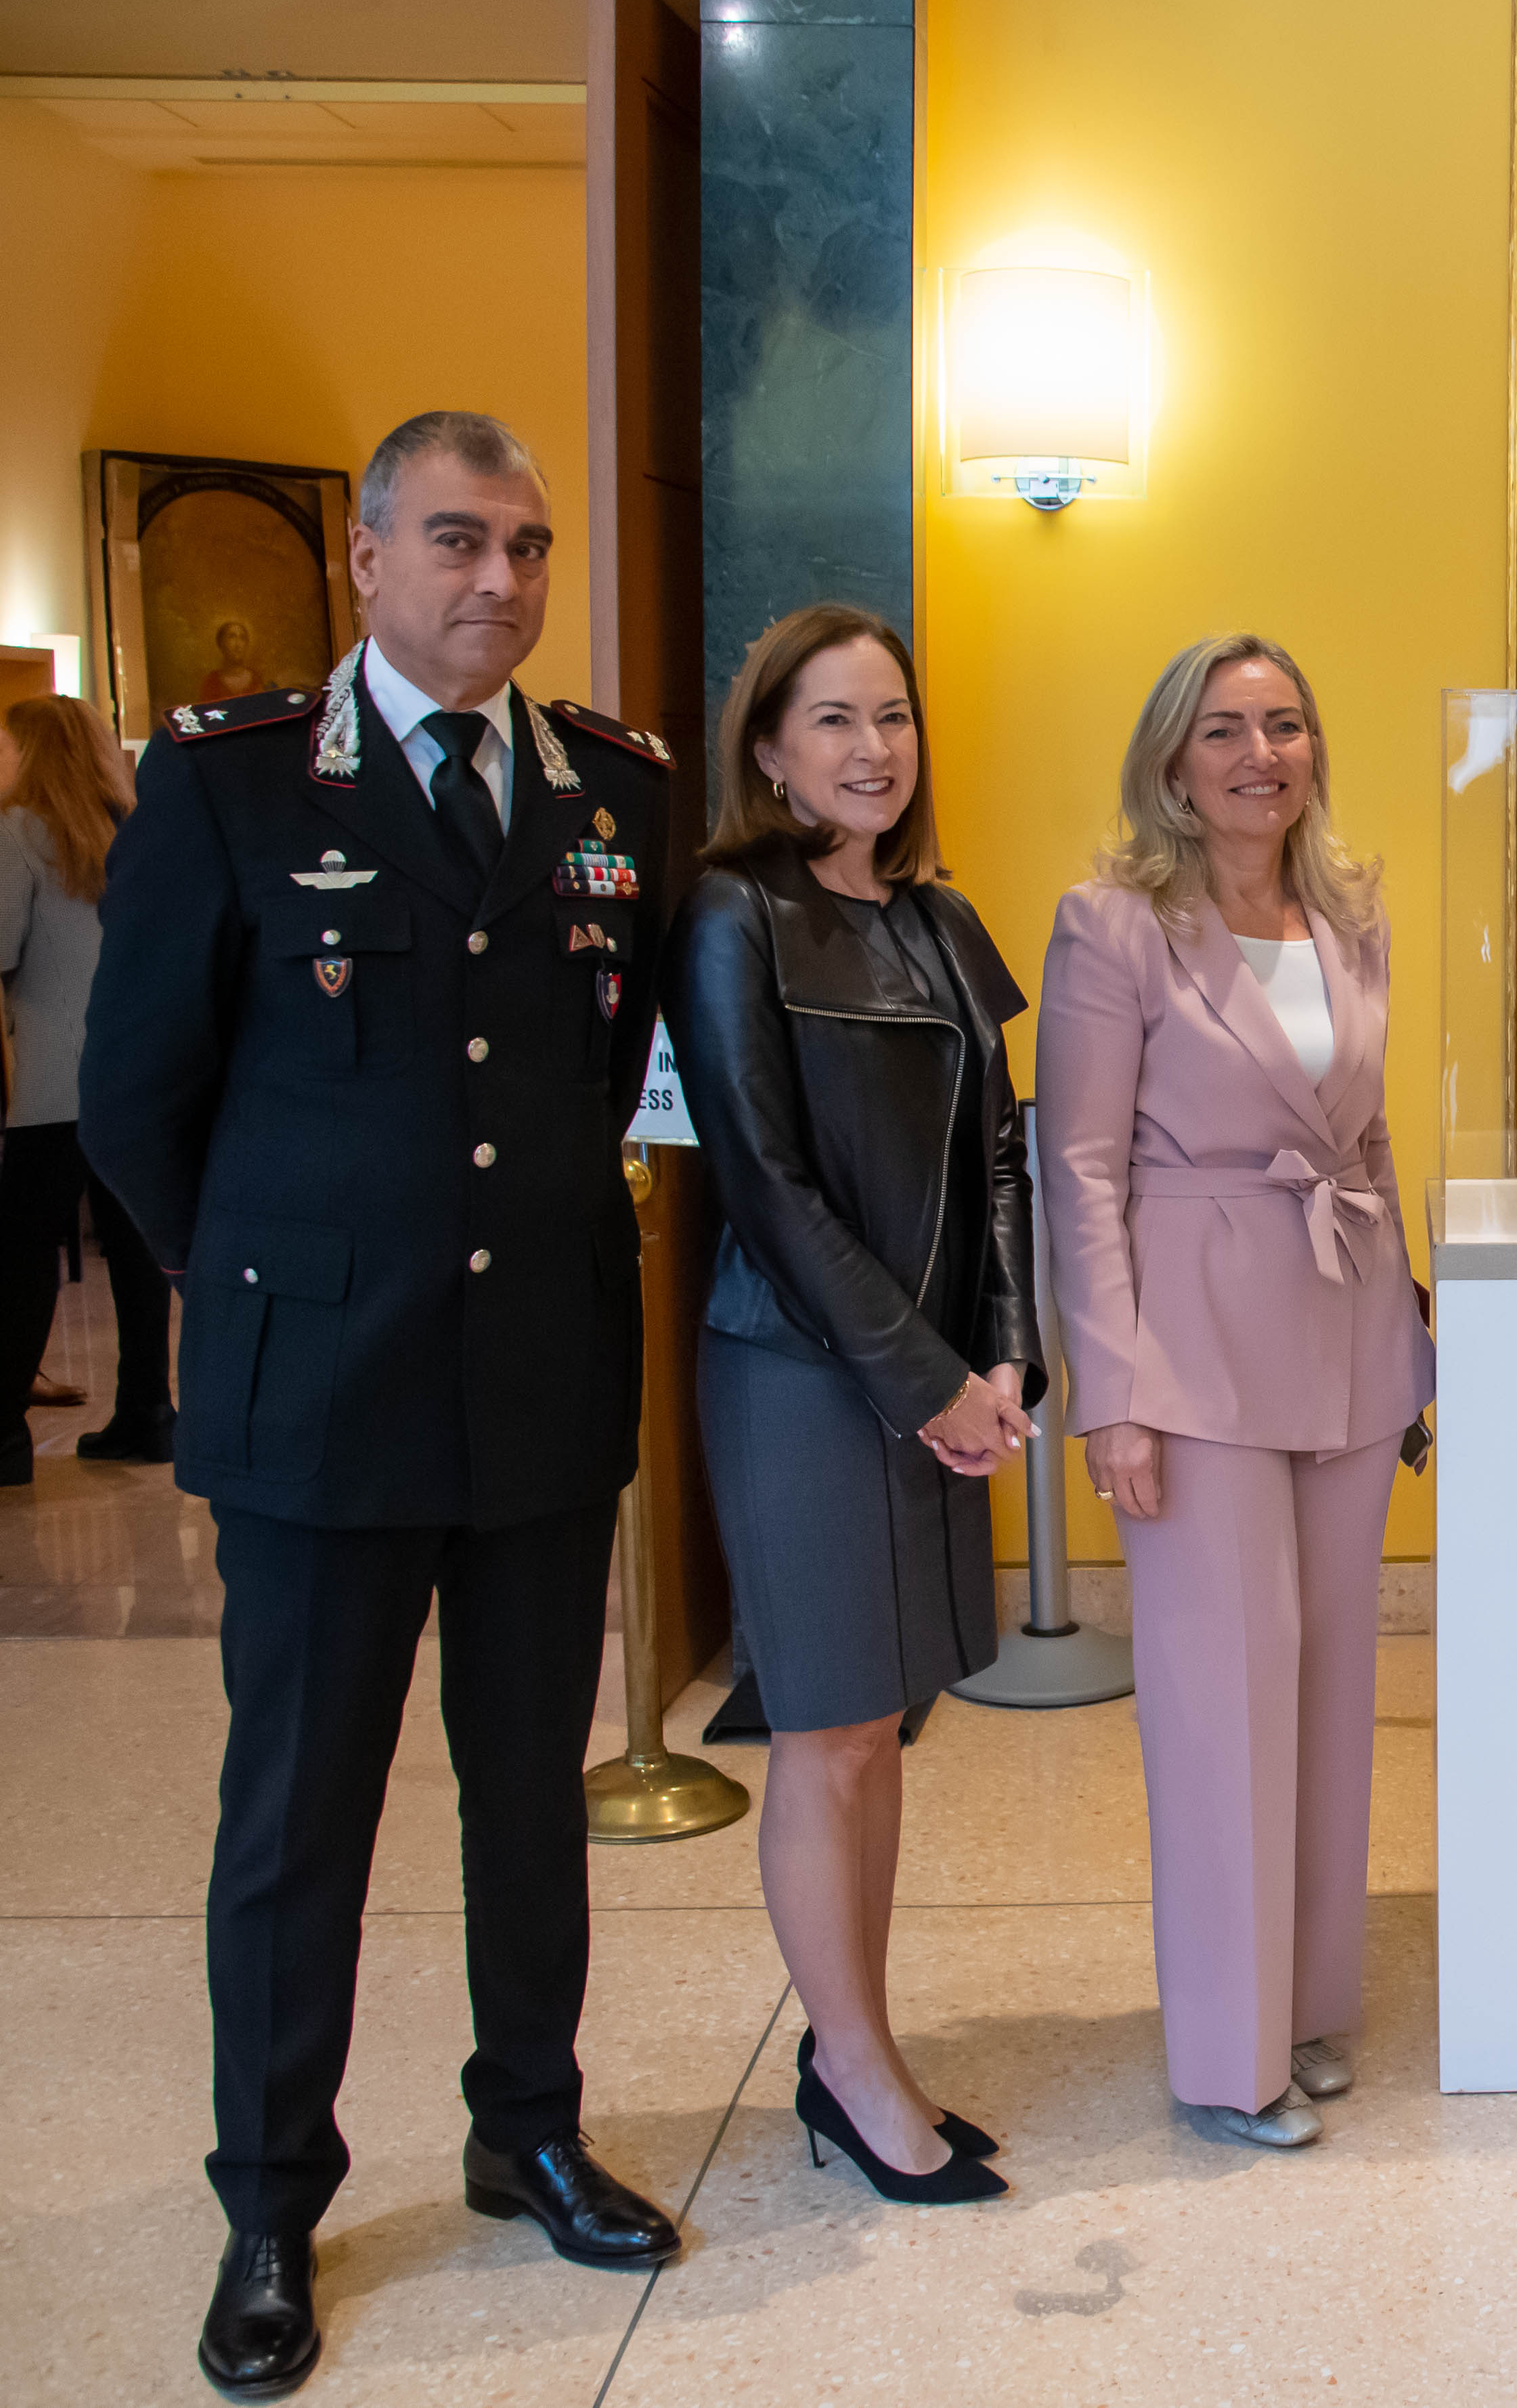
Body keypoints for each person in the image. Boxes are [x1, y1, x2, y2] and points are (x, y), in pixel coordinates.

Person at [83, 410, 686, 2399]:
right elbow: (136, 1105)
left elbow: (593, 1084)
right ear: (363, 557)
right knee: (299, 1820)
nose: (497, 580)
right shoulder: (236, 783)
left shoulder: (609, 789)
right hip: (320, 1401)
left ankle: (526, 2128)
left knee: (530, 1803)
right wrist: (274, 1278)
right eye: (454, 540)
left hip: (532, 1396)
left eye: (523, 546)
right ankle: (269, 2194)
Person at [1037, 634, 1433, 2149]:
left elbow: (1372, 1135)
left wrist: (1404, 1334)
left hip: (1341, 1337)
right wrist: (1110, 1390)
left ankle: (1308, 2003)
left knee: (1333, 1687)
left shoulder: (1350, 911)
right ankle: (1226, 2051)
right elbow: (1075, 1166)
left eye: (1283, 725)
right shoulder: (1115, 923)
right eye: (1223, 730)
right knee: (1219, 1700)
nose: (1259, 753)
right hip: (1189, 1350)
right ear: (1172, 763)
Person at [667, 604, 1040, 2206]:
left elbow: (1004, 1155)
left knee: (880, 1734)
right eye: (831, 719)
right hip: (802, 1368)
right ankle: (853, 2066)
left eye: (890, 717)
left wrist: (1012, 1351)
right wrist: (928, 1376)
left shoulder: (945, 921)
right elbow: (763, 1178)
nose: (870, 747)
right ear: (768, 744)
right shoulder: (733, 910)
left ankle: (852, 2044)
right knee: (824, 1737)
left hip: (944, 1374)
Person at [0, 695, 175, 1475]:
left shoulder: (18, 834)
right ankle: (147, 1413)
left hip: (46, 1080)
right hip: (135, 1074)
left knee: (23, 1254)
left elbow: (3, 951)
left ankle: (3, 1436)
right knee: (136, 1253)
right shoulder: (137, 831)